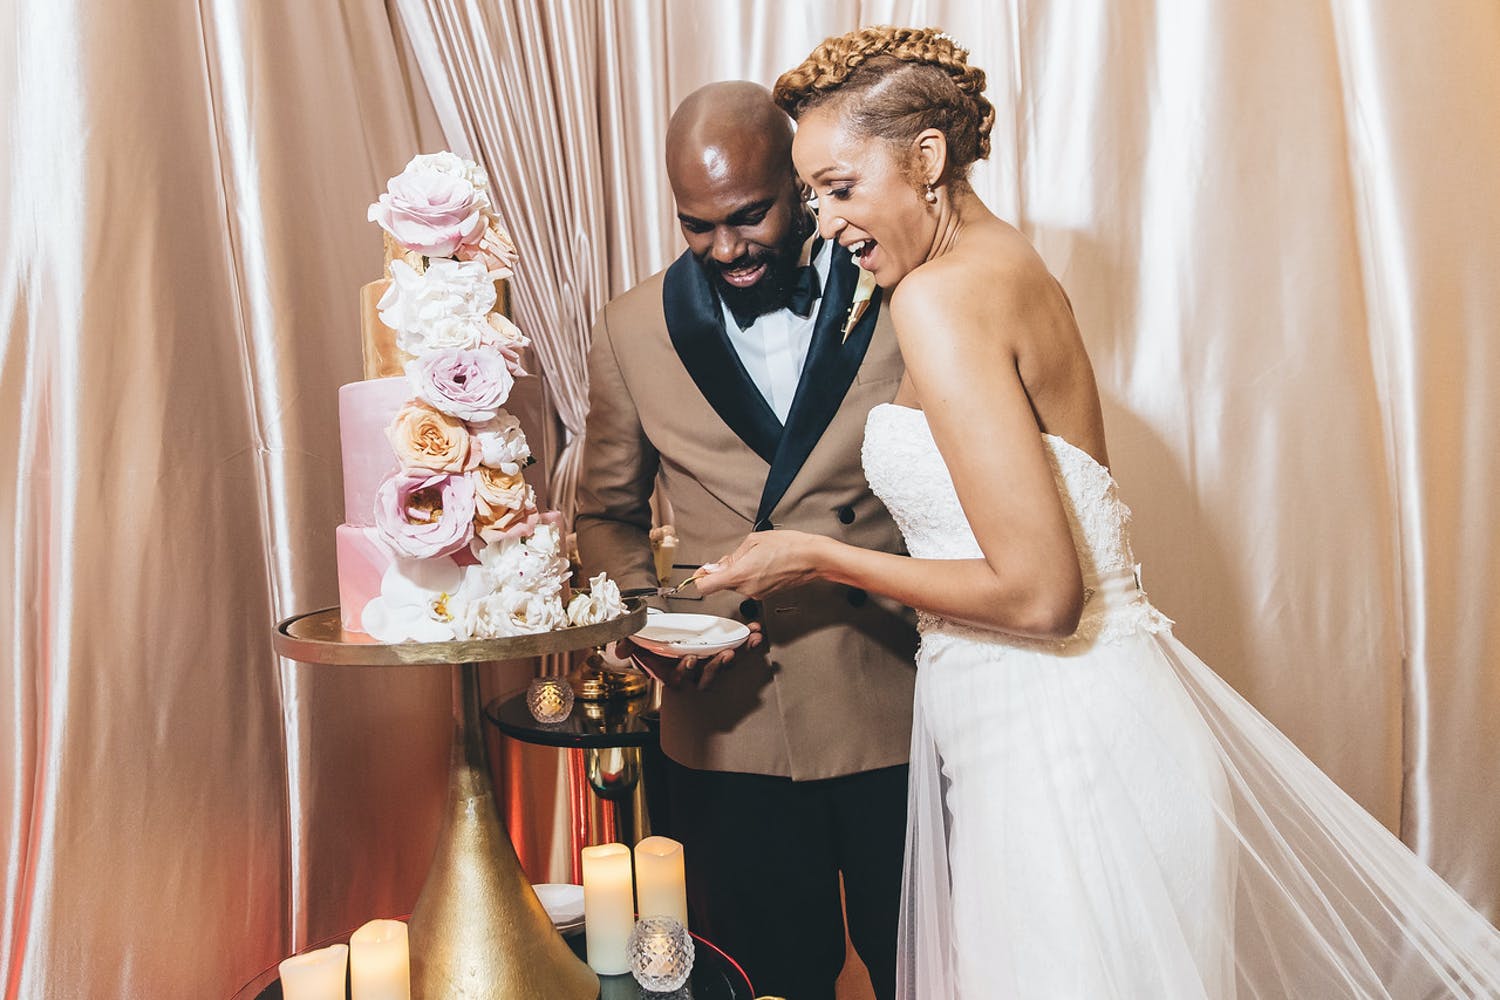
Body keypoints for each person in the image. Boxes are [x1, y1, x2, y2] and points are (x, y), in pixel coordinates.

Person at [696, 26, 1500, 999]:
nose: (826, 221)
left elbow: (1042, 597)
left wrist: (817, 557)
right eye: (815, 194)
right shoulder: (1007, 265)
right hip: (1085, 740)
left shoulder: (941, 300)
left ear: (928, 158)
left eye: (841, 185)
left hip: (1066, 764)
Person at [574, 81, 918, 1000]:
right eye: (697, 225)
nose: (725, 248)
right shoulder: (630, 327)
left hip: (895, 691)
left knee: (927, 969)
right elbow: (603, 514)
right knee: (765, 979)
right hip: (729, 723)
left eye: (749, 216)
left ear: (799, 185)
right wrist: (648, 633)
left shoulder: (900, 282)